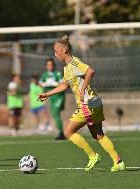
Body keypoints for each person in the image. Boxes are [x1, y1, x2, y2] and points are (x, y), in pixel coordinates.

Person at [38, 35, 125, 172]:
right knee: (98, 135)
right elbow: (64, 86)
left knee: (68, 132)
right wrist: (47, 94)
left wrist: (84, 87)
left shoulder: (74, 63)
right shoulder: (67, 68)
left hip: (88, 104)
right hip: (94, 103)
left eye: (56, 51)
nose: (55, 54)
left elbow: (90, 71)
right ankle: (118, 161)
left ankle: (93, 156)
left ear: (65, 50)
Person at [39, 58, 65, 140]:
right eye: (48, 65)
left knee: (56, 113)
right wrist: (46, 83)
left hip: (59, 96)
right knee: (54, 114)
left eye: (51, 64)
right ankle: (62, 132)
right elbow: (40, 84)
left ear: (53, 65)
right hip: (51, 97)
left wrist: (54, 83)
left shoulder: (57, 73)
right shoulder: (44, 75)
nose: (50, 66)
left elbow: (62, 84)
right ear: (46, 66)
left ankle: (61, 133)